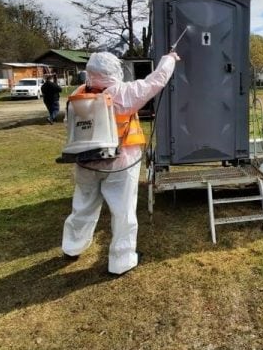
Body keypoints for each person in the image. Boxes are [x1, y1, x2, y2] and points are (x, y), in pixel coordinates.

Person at [61, 50, 180, 275]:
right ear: (114, 70)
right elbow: (156, 80)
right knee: (123, 212)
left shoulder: (78, 94)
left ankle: (72, 246)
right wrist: (170, 59)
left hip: (85, 162)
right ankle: (121, 261)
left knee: (83, 206)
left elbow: (69, 123)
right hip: (121, 163)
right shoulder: (123, 94)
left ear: (90, 72)